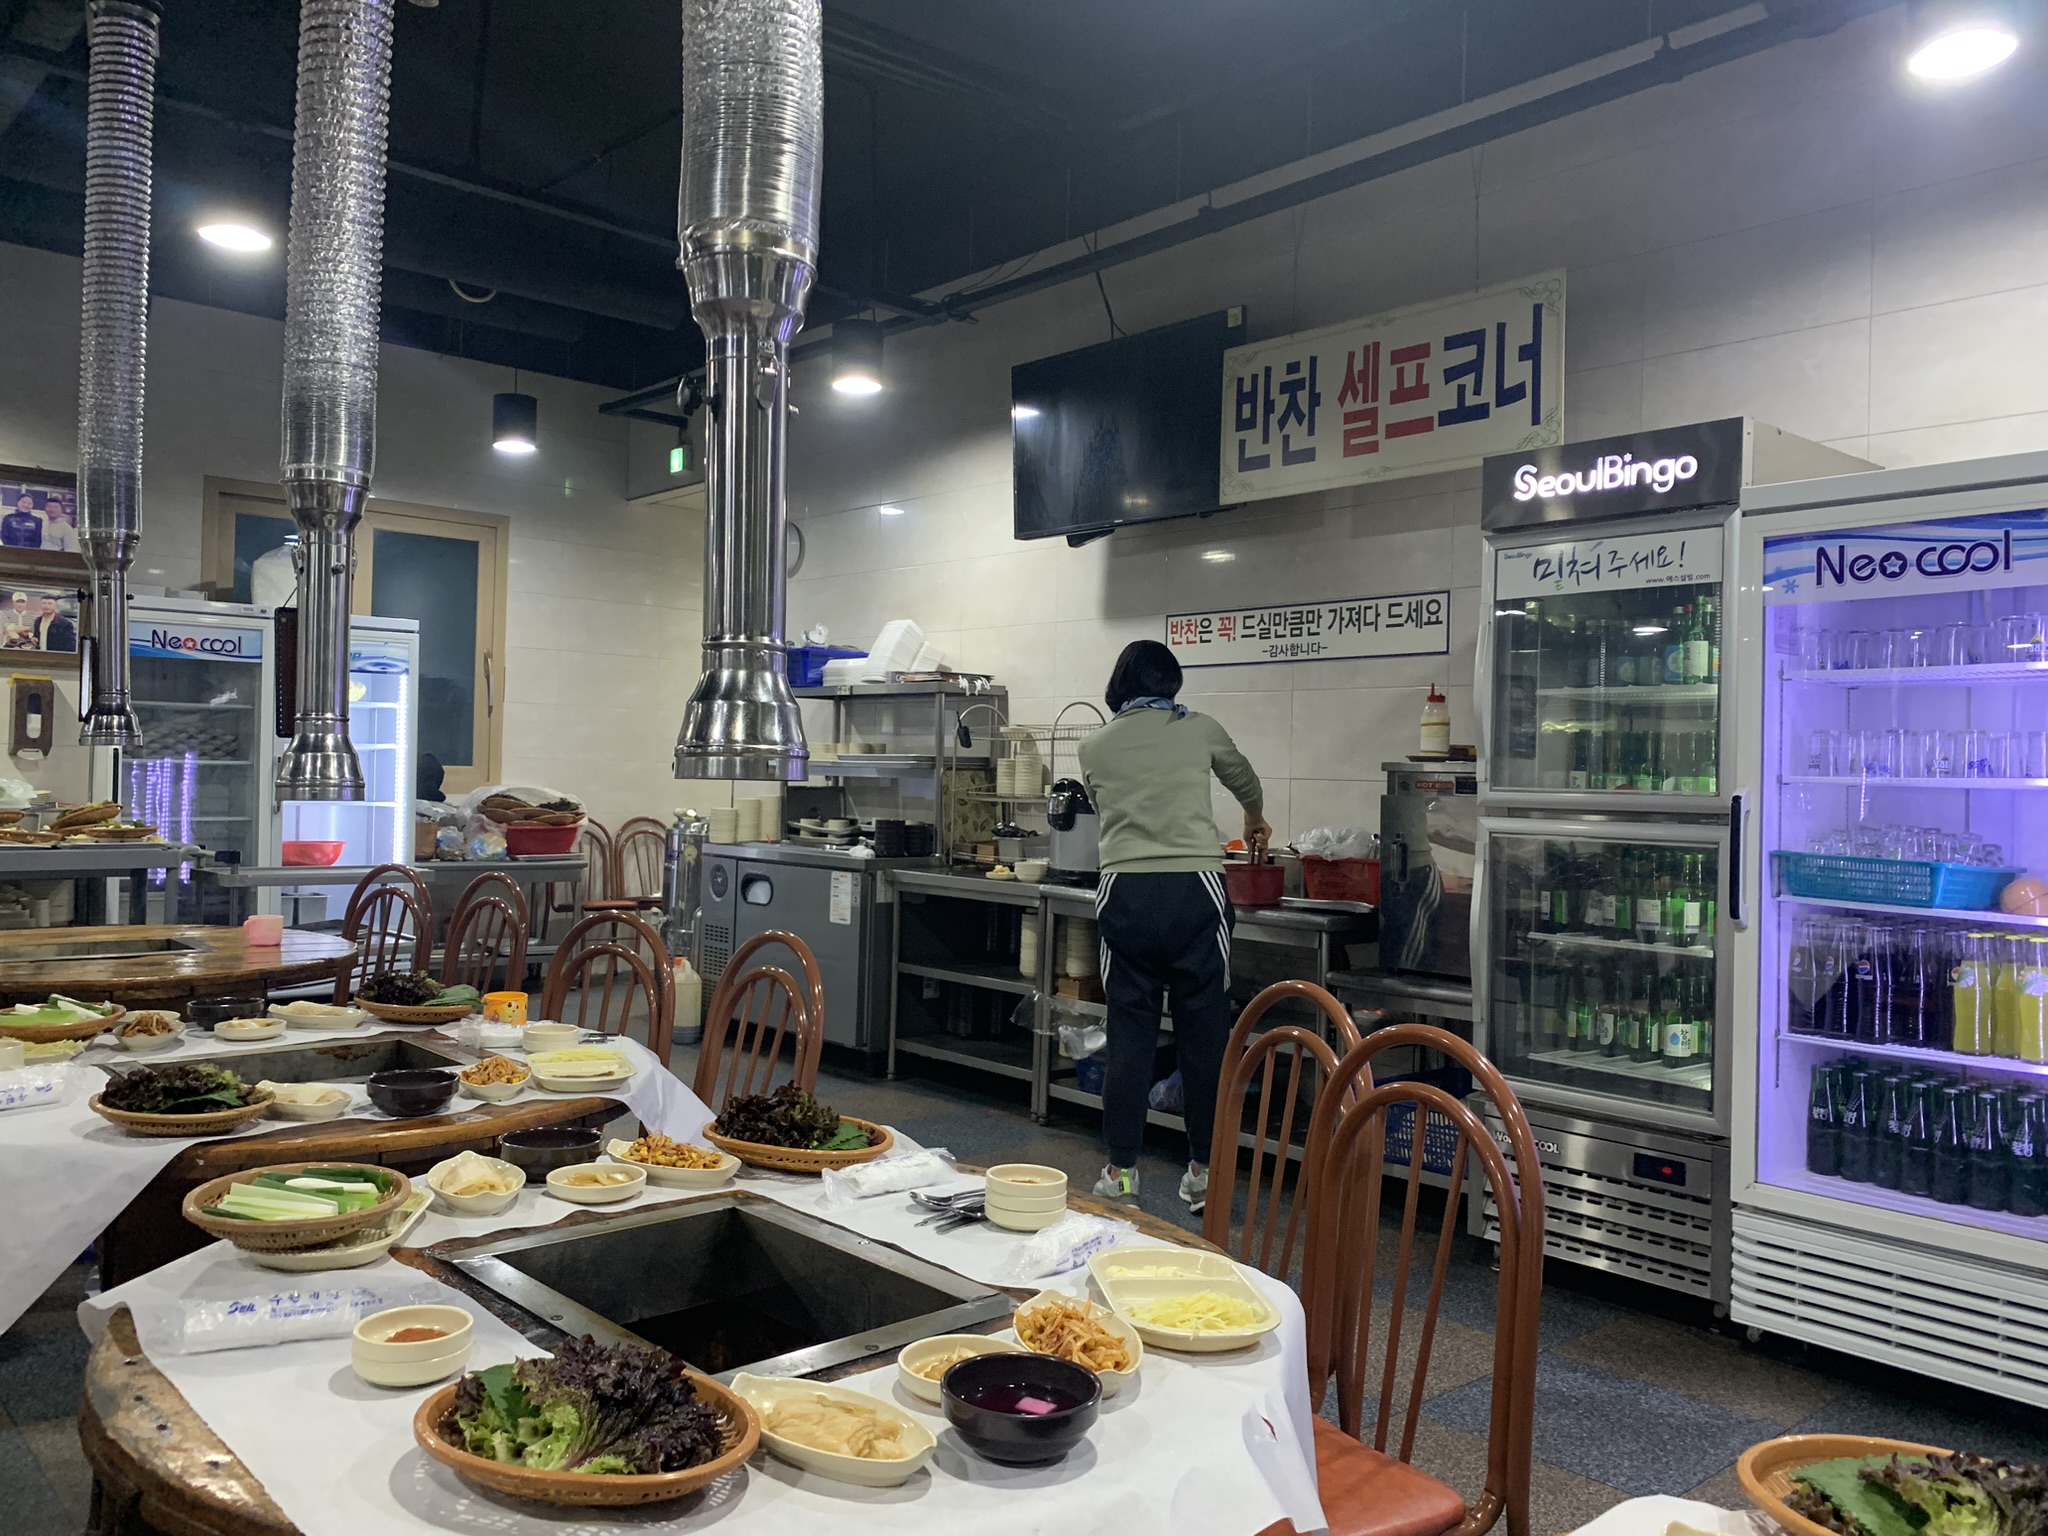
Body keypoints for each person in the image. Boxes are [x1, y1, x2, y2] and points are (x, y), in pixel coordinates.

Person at [1076, 639, 1270, 1212]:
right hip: (1195, 892)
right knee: (1203, 1036)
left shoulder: (1093, 746)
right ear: (1171, 684)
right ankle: (1205, 1175)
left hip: (1125, 892)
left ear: (1119, 685)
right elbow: (1246, 780)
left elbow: (1106, 808)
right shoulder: (1200, 727)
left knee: (1129, 1035)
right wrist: (1254, 818)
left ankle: (1121, 1175)